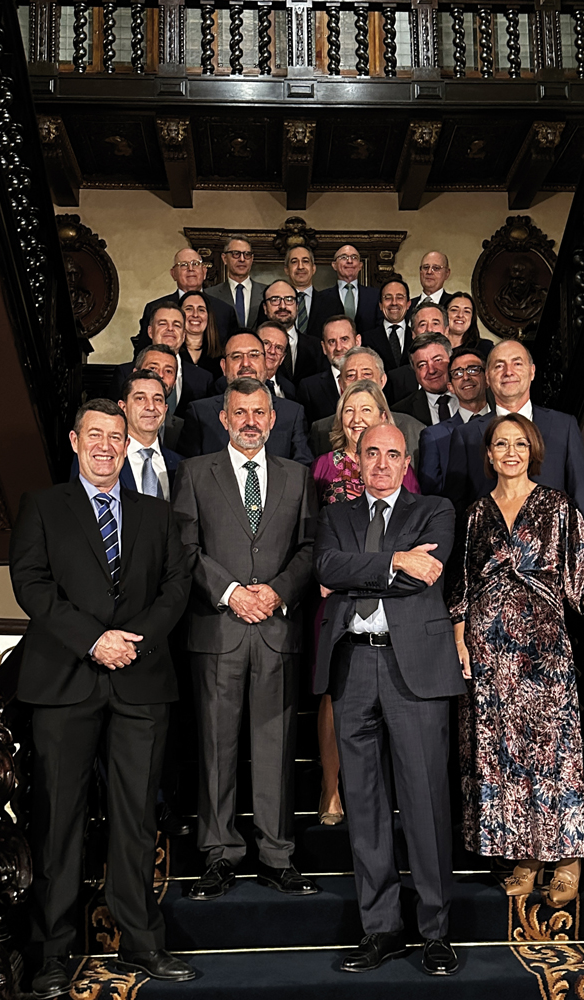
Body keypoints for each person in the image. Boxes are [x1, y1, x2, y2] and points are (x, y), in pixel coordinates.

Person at [9, 399, 194, 996]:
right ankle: (52, 952)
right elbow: (31, 583)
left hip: (141, 680)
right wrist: (94, 640)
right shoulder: (42, 506)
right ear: (74, 440)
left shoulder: (157, 513)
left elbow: (176, 587)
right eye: (95, 435)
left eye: (116, 437)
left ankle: (142, 942)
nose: (106, 446)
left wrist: (131, 642)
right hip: (65, 680)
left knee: (136, 819)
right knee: (59, 819)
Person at [448, 414, 584, 905]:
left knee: (553, 754)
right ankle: (526, 858)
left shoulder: (556, 507)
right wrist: (460, 641)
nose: (510, 452)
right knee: (503, 758)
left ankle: (567, 858)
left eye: (519, 443)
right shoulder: (475, 515)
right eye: (501, 444)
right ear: (489, 454)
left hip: (543, 653)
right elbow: (461, 587)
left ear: (532, 451)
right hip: (490, 656)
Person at [314, 424, 463, 977]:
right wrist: (397, 560)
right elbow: (324, 568)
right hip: (353, 664)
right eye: (371, 452)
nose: (380, 463)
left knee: (425, 801)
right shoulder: (336, 515)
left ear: (406, 462)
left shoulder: (434, 511)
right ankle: (381, 928)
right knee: (364, 804)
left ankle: (435, 931)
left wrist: (361, 573)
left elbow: (423, 579)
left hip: (414, 669)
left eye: (392, 454)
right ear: (356, 459)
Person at [172, 377, 320, 900]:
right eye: (241, 412)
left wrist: (277, 592)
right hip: (219, 630)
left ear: (273, 419)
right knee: (216, 747)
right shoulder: (194, 473)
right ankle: (219, 853)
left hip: (276, 630)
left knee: (276, 748)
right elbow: (185, 548)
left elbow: (309, 548)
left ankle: (277, 854)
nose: (250, 421)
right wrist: (232, 592)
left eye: (260, 412)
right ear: (224, 418)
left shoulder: (298, 477)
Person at [310, 381, 420, 827]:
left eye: (367, 409)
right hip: (334, 601)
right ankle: (331, 787)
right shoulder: (323, 465)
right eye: (349, 409)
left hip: (388, 602)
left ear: (383, 416)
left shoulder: (398, 465)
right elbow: (317, 539)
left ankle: (383, 792)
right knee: (335, 692)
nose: (357, 417)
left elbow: (412, 537)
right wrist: (330, 572)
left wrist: (352, 569)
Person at [442, 339, 584, 526]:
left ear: (532, 371)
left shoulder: (564, 426)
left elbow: (581, 496)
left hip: (554, 541)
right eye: (499, 366)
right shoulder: (466, 435)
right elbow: (456, 507)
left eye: (517, 364)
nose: (508, 372)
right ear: (487, 378)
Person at [176, 332, 313, 465]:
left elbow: (301, 470)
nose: (246, 364)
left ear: (265, 363)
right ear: (224, 366)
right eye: (236, 357)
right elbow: (189, 470)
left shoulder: (293, 413)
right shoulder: (200, 413)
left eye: (254, 355)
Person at [308, 346, 425, 470]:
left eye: (367, 374)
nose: (359, 380)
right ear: (341, 384)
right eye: (350, 375)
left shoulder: (414, 429)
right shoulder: (321, 430)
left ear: (382, 381)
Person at [108, 301, 212, 417]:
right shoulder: (125, 373)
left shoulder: (203, 379)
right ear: (150, 331)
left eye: (177, 325)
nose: (170, 329)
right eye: (162, 324)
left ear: (183, 335)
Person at [133, 248, 237, 357]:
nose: (190, 269)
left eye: (195, 264)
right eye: (183, 265)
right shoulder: (155, 308)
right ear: (173, 274)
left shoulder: (225, 310)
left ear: (204, 271)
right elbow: (142, 354)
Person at [418, 348, 490, 495]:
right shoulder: (434, 436)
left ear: (487, 378)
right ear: (450, 387)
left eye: (473, 370)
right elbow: (431, 494)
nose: (466, 377)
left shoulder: (508, 424)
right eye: (458, 373)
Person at [307, 245, 381, 341]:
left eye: (354, 257)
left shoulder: (375, 296)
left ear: (360, 265)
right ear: (334, 265)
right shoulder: (321, 298)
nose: (349, 261)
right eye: (343, 257)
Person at [297, 315, 360, 425]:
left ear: (357, 341)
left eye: (344, 339)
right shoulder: (309, 388)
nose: (338, 348)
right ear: (324, 347)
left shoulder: (373, 378)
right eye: (332, 342)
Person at [262, 280, 325, 385]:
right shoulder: (254, 345)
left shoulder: (317, 347)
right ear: (265, 308)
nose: (282, 306)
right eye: (275, 300)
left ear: (297, 306)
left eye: (289, 299)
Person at [392, 331, 457, 427]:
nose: (431, 370)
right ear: (414, 371)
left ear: (452, 360)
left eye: (437, 360)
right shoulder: (400, 412)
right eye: (422, 365)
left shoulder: (475, 395)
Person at [206, 235, 267, 328]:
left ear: (252, 259)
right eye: (236, 254)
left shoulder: (267, 293)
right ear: (224, 258)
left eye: (247, 254)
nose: (242, 259)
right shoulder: (209, 295)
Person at [361, 279, 413, 375]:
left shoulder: (417, 336)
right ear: (380, 305)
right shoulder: (365, 339)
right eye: (388, 298)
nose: (394, 303)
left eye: (399, 297)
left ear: (408, 304)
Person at [180, 290, 226, 378]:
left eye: (201, 310)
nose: (195, 315)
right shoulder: (172, 353)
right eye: (189, 309)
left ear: (209, 316)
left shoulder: (221, 356)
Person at [445, 292, 494, 358]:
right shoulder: (433, 346)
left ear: (472, 317)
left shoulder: (485, 348)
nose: (460, 315)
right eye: (454, 310)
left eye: (467, 311)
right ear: (444, 314)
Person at [284, 245, 318, 336]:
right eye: (294, 262)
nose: (300, 267)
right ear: (286, 270)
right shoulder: (274, 304)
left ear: (313, 268)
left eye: (305, 261)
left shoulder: (331, 303)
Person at [407, 251, 454, 316]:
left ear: (447, 273)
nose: (429, 272)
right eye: (426, 267)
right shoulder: (407, 306)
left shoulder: (453, 305)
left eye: (436, 268)